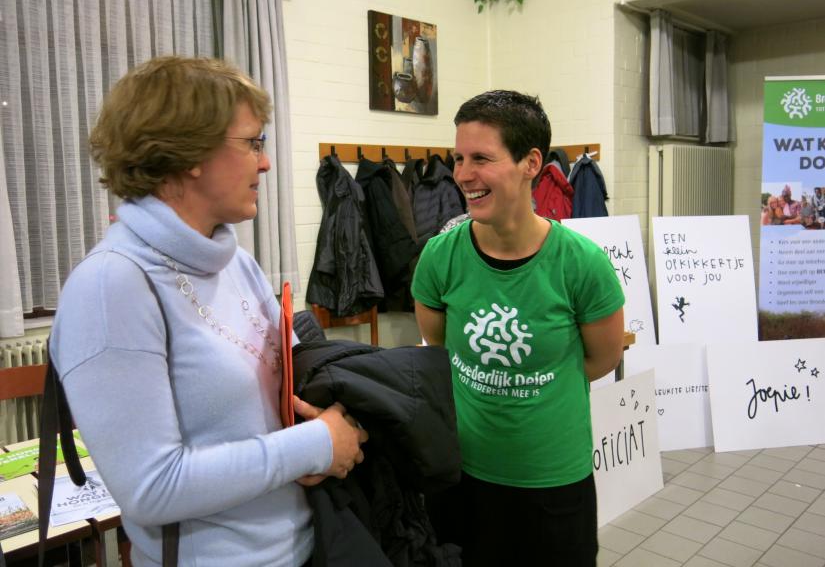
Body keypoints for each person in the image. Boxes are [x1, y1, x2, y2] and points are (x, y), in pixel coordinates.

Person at [50, 56, 367, 567]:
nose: (265, 163)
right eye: (253, 143)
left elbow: (287, 397)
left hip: (306, 546)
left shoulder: (234, 260)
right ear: (190, 152)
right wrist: (314, 445)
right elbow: (151, 487)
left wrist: (323, 426)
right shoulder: (112, 285)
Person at [411, 90, 625, 566]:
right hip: (462, 476)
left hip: (551, 481)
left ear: (531, 162)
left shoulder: (582, 264)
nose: (464, 175)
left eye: (482, 159)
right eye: (459, 158)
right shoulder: (440, 258)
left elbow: (602, 359)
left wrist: (536, 386)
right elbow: (440, 349)